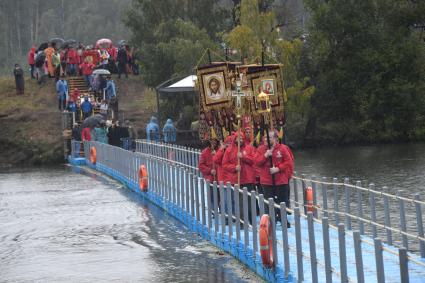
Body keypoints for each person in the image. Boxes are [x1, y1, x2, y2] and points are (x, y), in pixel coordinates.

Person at [255, 131, 294, 226]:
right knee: (269, 202)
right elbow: (256, 162)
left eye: (269, 137)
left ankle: (283, 219)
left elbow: (288, 162)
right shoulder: (261, 149)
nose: (266, 139)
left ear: (276, 138)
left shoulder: (283, 148)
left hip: (281, 180)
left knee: (282, 201)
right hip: (267, 181)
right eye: (265, 137)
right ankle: (271, 221)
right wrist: (265, 155)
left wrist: (278, 168)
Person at [222, 131, 256, 223]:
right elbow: (224, 164)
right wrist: (234, 168)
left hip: (248, 179)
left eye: (241, 138)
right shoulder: (229, 150)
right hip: (237, 179)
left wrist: (243, 157)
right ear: (235, 139)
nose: (240, 140)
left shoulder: (249, 148)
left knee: (250, 201)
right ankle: (241, 221)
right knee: (240, 202)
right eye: (238, 138)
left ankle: (251, 220)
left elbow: (254, 160)